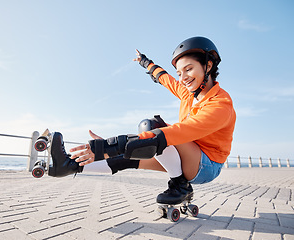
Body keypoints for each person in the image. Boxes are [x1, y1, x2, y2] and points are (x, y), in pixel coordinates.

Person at [48, 36, 236, 206]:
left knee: (152, 129)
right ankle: (66, 166)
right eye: (179, 72)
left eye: (188, 69)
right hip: (186, 156)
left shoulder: (220, 106)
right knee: (127, 158)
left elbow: (180, 132)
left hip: (206, 166)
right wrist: (146, 62)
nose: (182, 78)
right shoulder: (188, 94)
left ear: (208, 66)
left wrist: (106, 146)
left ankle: (180, 185)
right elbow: (165, 79)